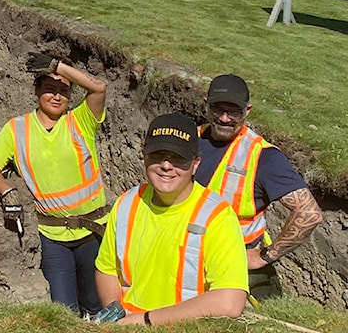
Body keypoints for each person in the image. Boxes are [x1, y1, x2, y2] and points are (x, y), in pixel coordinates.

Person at [0, 52, 109, 318]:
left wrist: (57, 66)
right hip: (54, 238)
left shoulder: (80, 121)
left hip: (95, 233)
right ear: (36, 90)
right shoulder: (17, 129)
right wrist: (7, 190)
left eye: (64, 90)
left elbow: (98, 87)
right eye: (49, 89)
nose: (56, 95)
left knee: (98, 307)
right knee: (64, 312)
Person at [95, 113, 248, 325]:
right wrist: (114, 309)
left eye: (178, 157)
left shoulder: (217, 217)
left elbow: (230, 301)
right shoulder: (126, 204)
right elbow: (106, 269)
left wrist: (147, 321)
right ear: (144, 156)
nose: (166, 165)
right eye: (158, 155)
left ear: (195, 164)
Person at [195, 74, 324, 300]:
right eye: (218, 109)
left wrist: (265, 256)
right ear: (206, 103)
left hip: (237, 266)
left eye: (233, 111)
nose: (225, 118)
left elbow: (309, 213)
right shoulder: (190, 139)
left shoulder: (262, 157)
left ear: (248, 110)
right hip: (188, 257)